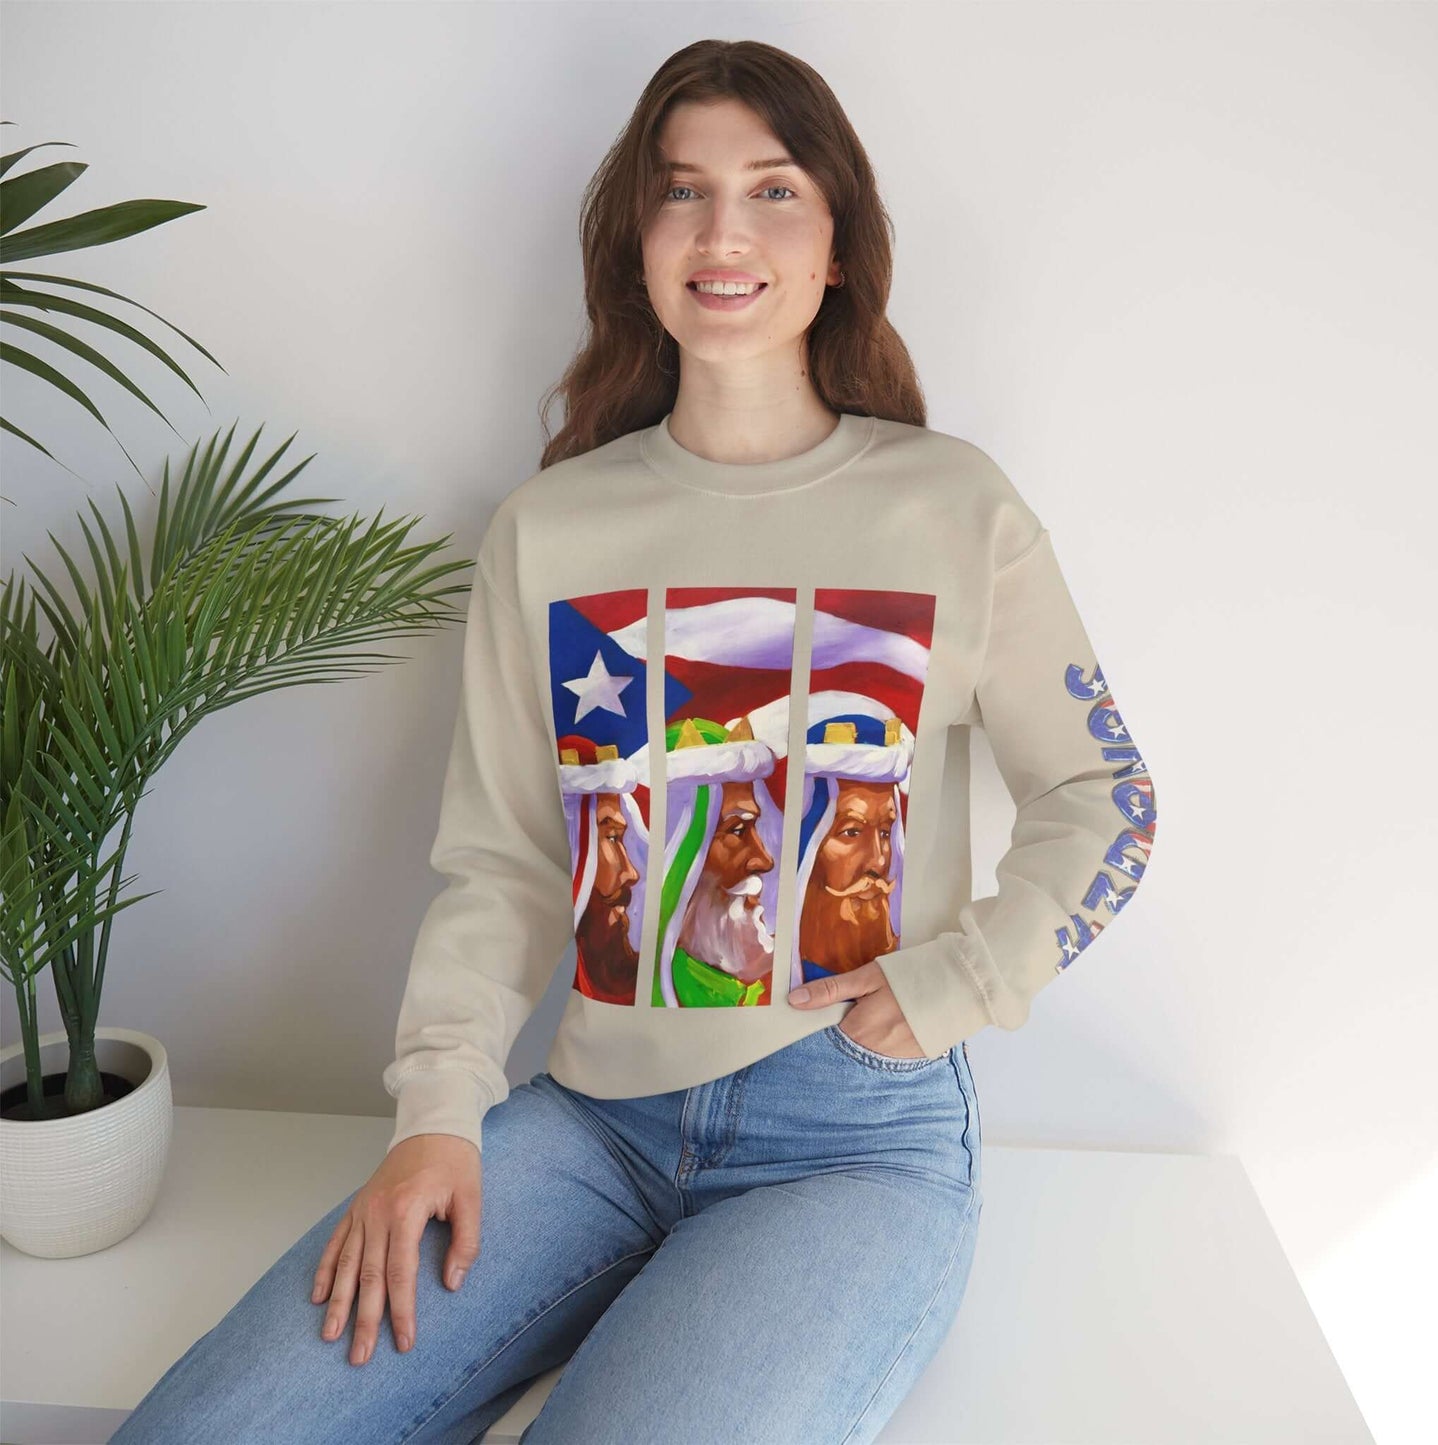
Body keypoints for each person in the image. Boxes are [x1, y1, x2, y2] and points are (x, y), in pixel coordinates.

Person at [111, 37, 1157, 1445]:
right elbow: (504, 866)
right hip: (590, 1119)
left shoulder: (951, 508)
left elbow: (1105, 797)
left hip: (849, 1139)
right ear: (637, 242)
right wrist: (437, 1110)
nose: (723, 231)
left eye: (772, 190)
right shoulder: (553, 530)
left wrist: (964, 978)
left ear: (837, 242)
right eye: (681, 193)